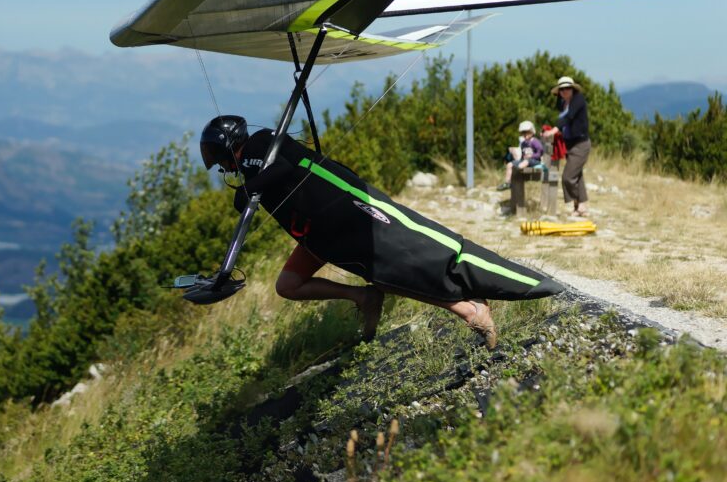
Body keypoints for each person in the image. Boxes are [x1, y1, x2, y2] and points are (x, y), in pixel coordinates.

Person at [199, 115, 564, 349]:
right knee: (288, 286)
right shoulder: (254, 163)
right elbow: (271, 178)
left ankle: (470, 310)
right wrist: (251, 189)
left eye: (220, 160)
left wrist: (252, 187)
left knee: (393, 271)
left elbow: (284, 168)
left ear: (227, 148)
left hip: (342, 216)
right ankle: (363, 299)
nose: (223, 168)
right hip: (318, 234)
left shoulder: (261, 146)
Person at [542, 76, 590, 217]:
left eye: (567, 88)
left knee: (568, 177)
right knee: (577, 176)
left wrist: (553, 130)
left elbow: (568, 117)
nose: (564, 91)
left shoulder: (578, 100)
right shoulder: (563, 103)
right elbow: (562, 118)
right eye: (561, 89)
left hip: (580, 144)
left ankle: (579, 203)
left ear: (573, 89)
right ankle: (581, 207)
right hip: (569, 144)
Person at [497, 120, 544, 191]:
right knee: (509, 164)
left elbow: (540, 153)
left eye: (527, 132)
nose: (525, 134)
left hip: (535, 161)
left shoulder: (534, 141)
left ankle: (516, 180)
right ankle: (507, 183)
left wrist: (532, 156)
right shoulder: (523, 143)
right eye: (523, 133)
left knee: (523, 164)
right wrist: (519, 160)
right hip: (525, 161)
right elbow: (523, 154)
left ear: (532, 132)